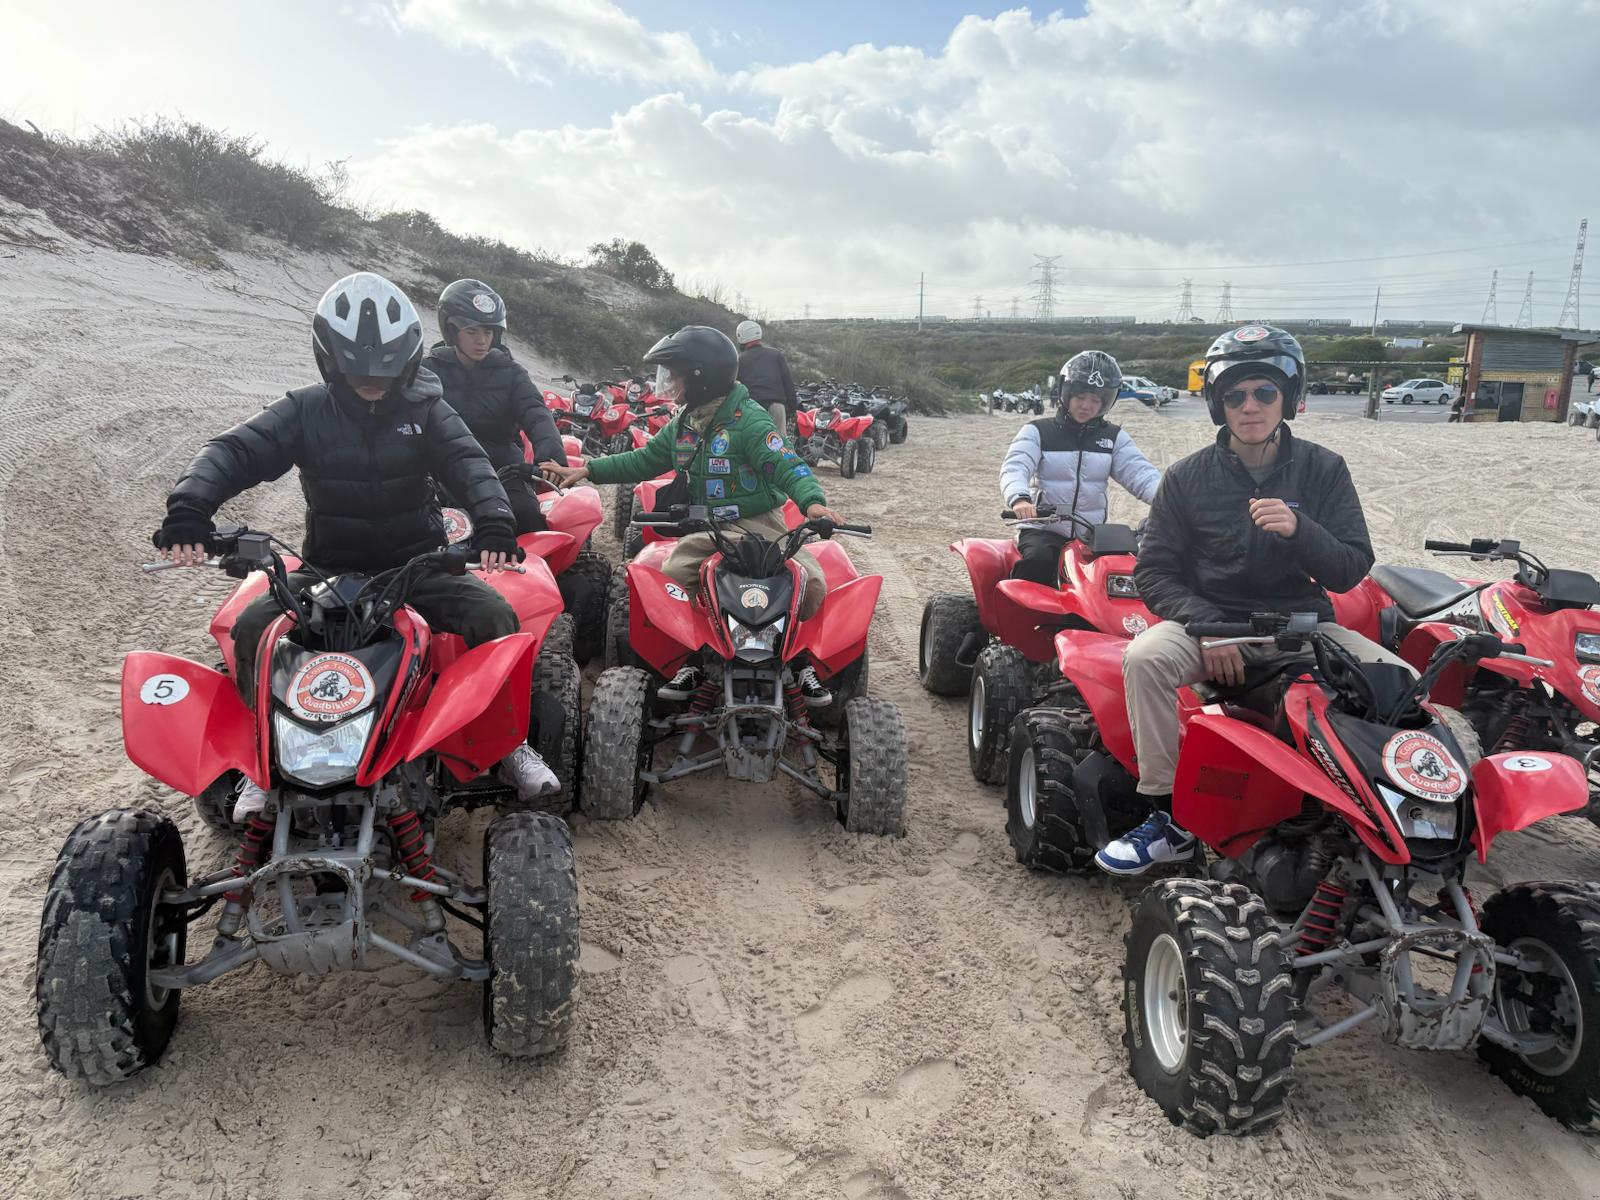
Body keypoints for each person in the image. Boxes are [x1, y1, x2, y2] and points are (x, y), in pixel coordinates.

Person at [152, 272, 559, 808]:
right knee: (251, 628)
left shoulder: (428, 410)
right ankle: (262, 757)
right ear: (330, 359)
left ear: (408, 360)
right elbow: (235, 452)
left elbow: (471, 466)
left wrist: (494, 523)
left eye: (385, 371)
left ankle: (508, 743)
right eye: (358, 369)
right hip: (328, 570)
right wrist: (189, 508)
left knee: (496, 619)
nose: (373, 380)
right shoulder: (303, 409)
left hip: (418, 566)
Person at [1097, 324, 1412, 875]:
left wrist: (1300, 529)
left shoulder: (1324, 469)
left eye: (1264, 392)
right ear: (1219, 404)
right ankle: (1170, 816)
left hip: (1304, 623)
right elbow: (1156, 573)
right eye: (1235, 395)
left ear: (1287, 398)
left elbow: (1351, 567)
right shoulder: (1186, 479)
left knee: (1402, 681)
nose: (1250, 406)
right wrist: (1209, 627)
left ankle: (1400, 810)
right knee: (1143, 659)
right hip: (1212, 622)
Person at [540, 326, 841, 703]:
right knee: (676, 575)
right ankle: (697, 656)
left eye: (675, 374)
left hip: (761, 526)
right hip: (710, 528)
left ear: (701, 377)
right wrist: (589, 469)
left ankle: (801, 662)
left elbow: (786, 464)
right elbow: (645, 459)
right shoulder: (685, 420)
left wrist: (812, 502)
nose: (670, 384)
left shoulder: (749, 420)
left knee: (810, 582)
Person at [999, 350, 1162, 586]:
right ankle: (1014, 620)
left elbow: (1141, 474)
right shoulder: (1038, 432)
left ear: (1106, 403)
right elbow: (1015, 467)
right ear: (1066, 394)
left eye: (1096, 400)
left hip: (1091, 532)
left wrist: (1169, 501)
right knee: (1039, 561)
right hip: (1044, 528)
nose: (1087, 406)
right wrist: (1020, 500)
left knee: (1123, 573)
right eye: (1081, 397)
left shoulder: (1113, 438)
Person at [423, 279, 566, 534]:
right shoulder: (426, 372)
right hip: (442, 471)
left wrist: (551, 458)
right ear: (451, 330)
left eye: (488, 333)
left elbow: (537, 414)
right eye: (472, 332)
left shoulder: (512, 373)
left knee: (527, 519)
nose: (481, 341)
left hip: (503, 470)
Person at [734, 320, 799, 436]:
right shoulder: (776, 355)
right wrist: (793, 410)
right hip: (777, 407)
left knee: (755, 445)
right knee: (779, 447)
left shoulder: (739, 360)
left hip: (752, 409)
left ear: (741, 337)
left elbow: (735, 389)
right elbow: (788, 384)